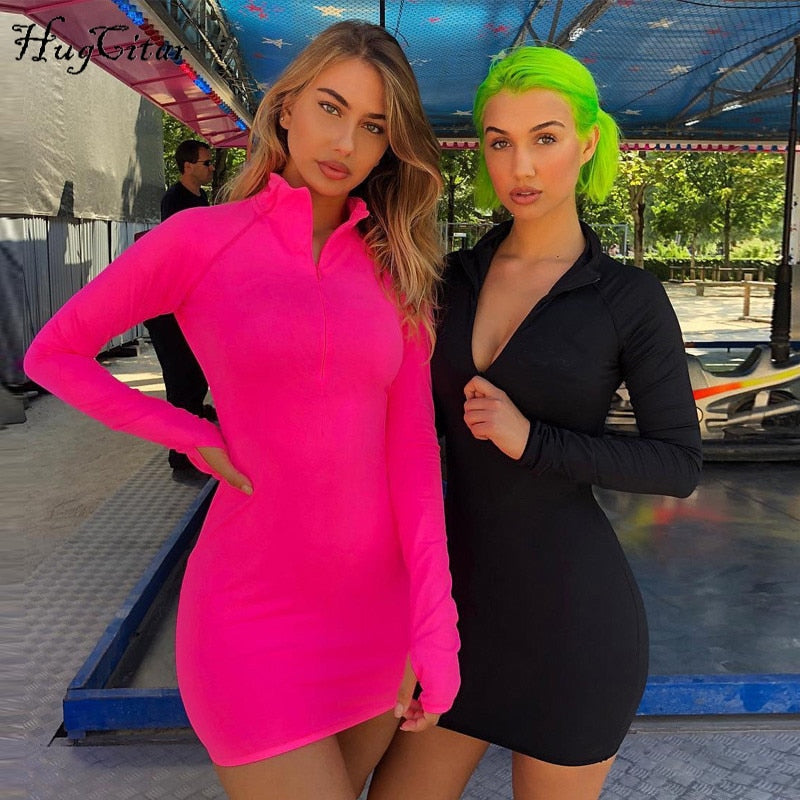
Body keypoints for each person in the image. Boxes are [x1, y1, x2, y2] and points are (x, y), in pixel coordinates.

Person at [23, 21, 460, 800]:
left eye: (373, 127)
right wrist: (186, 431)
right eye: (330, 107)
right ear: (286, 108)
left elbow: (414, 459)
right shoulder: (201, 239)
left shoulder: (397, 268)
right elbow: (53, 354)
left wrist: (436, 627)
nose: (345, 143)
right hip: (251, 615)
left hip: (376, 615)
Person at [368, 46, 702, 800]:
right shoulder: (447, 281)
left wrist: (533, 441)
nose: (520, 165)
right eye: (500, 142)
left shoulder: (626, 298)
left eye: (545, 138)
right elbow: (395, 436)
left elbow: (678, 464)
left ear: (586, 144)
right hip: (457, 616)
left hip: (574, 625)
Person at [145, 139, 215, 473]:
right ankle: (180, 453)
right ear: (188, 166)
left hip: (190, 302)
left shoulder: (200, 198)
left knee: (197, 374)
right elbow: (183, 249)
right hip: (168, 307)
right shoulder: (174, 201)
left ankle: (195, 429)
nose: (211, 168)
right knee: (180, 378)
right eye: (206, 163)